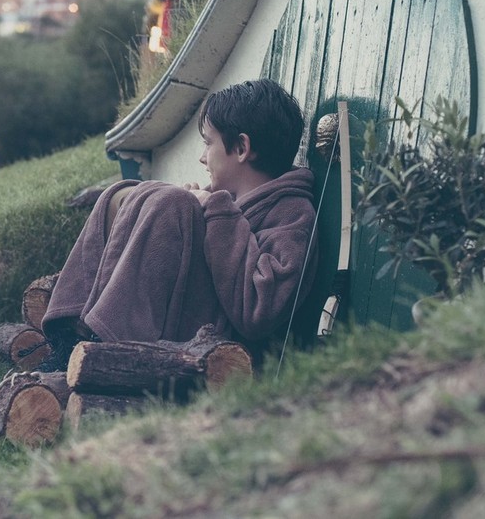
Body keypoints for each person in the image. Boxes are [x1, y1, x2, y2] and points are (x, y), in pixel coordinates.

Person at [39, 79, 318, 371]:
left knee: (173, 201)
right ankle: (72, 338)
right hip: (183, 327)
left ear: (242, 148)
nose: (201, 156)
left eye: (209, 142)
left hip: (218, 350)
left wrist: (214, 210)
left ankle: (104, 346)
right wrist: (201, 208)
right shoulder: (226, 200)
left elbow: (258, 311)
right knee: (123, 195)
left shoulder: (293, 213)